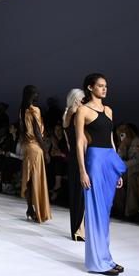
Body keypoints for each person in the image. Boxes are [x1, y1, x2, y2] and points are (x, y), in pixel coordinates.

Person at [75, 73, 126, 276]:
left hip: (107, 161)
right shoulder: (82, 110)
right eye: (100, 86)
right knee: (95, 212)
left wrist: (117, 168)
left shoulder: (108, 110)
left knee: (104, 214)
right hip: (94, 161)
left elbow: (111, 141)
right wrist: (82, 171)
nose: (104, 89)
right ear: (90, 87)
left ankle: (106, 258)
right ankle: (97, 263)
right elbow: (80, 141)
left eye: (106, 86)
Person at [19, 85, 51, 223]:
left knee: (29, 179)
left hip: (26, 146)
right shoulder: (34, 110)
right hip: (35, 148)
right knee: (36, 179)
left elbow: (22, 131)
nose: (38, 94)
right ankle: (38, 211)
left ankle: (30, 209)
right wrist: (45, 150)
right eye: (36, 92)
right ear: (32, 94)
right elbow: (38, 133)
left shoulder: (21, 110)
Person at [62, 88, 85, 241]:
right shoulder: (74, 111)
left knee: (79, 192)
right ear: (77, 99)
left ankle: (79, 229)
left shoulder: (67, 114)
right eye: (84, 98)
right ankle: (79, 229)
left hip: (74, 156)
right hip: (80, 156)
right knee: (80, 192)